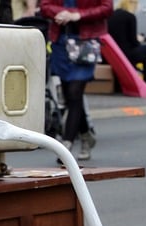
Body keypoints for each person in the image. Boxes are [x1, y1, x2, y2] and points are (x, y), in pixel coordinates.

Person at [42, 0, 112, 162]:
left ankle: (66, 145)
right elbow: (45, 6)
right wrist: (60, 13)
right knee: (70, 96)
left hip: (85, 41)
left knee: (75, 92)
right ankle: (86, 136)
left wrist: (77, 15)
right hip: (60, 42)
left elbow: (107, 8)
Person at [109, 0, 146, 86]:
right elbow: (134, 42)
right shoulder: (130, 17)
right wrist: (139, 40)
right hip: (126, 55)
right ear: (133, 4)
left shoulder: (110, 15)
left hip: (112, 55)